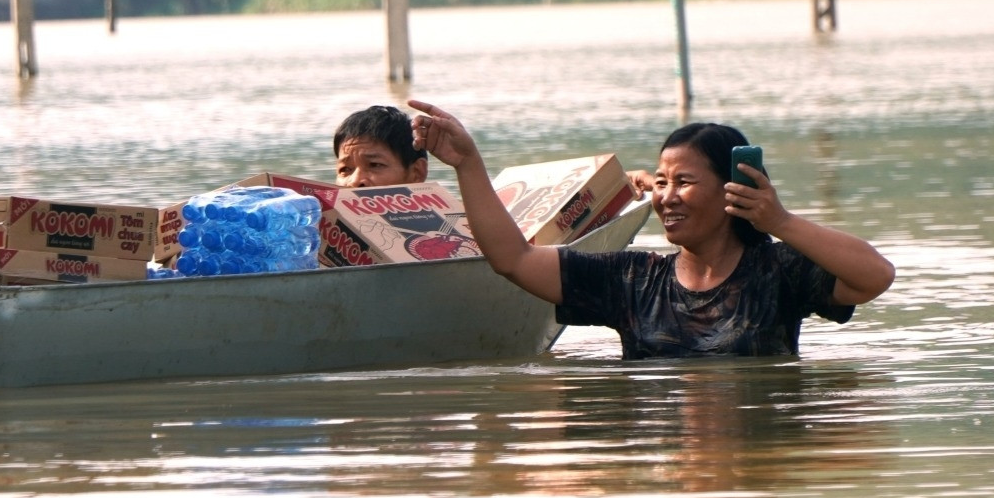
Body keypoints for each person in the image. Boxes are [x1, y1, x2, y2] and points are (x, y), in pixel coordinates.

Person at [407, 101, 895, 359]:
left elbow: (875, 276)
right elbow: (513, 260)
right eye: (660, 182)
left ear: (733, 190)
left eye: (684, 182)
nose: (665, 197)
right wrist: (468, 164)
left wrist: (781, 222)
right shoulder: (634, 280)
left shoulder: (777, 270)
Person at [333, 104, 429, 187]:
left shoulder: (442, 208)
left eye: (374, 165)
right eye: (345, 169)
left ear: (417, 173)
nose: (355, 181)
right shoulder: (320, 207)